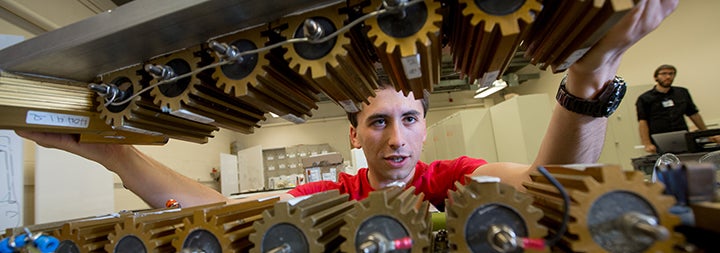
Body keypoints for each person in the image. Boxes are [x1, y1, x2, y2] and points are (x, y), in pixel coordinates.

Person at [16, 0, 679, 209]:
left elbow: (550, 190)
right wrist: (115, 153)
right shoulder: (339, 192)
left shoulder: (449, 180)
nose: (397, 137)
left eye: (410, 119)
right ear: (357, 134)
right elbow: (217, 210)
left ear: (426, 129)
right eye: (380, 121)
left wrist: (593, 74)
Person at [636, 64, 711, 153]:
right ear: (656, 77)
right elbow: (643, 122)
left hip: (682, 136)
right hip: (659, 139)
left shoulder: (682, 93)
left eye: (671, 74)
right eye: (664, 74)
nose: (668, 77)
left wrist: (707, 134)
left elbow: (693, 114)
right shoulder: (645, 98)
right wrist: (647, 143)